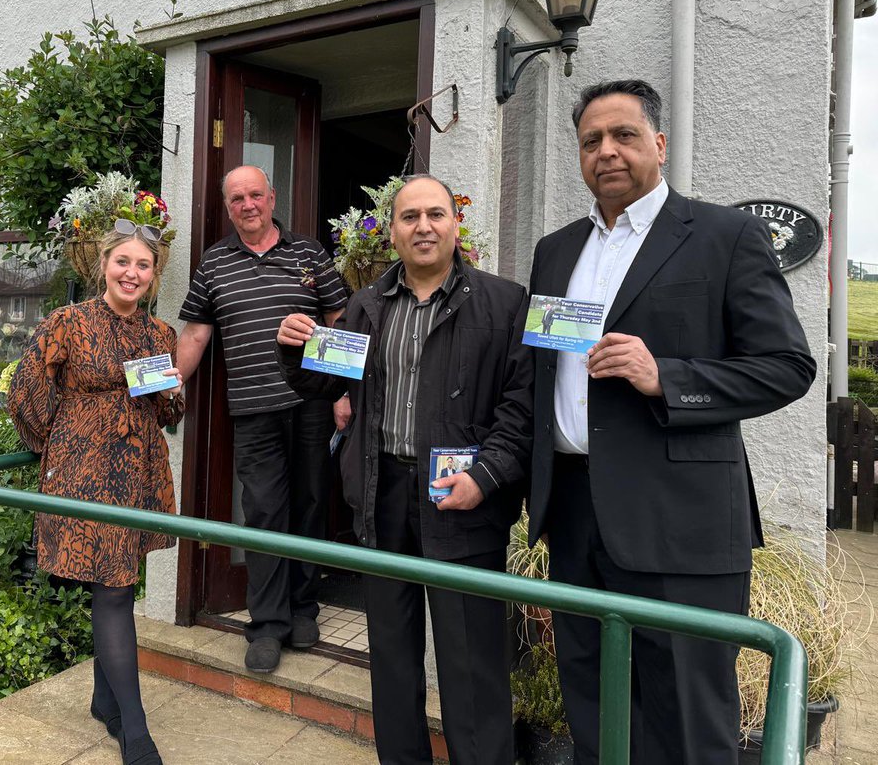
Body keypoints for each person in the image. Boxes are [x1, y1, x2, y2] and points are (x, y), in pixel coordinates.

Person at [526, 79, 816, 764]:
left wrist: (668, 377)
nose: (608, 151)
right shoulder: (556, 250)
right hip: (572, 512)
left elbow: (786, 365)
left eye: (624, 135)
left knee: (687, 713)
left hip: (680, 520)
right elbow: (540, 370)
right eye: (591, 140)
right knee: (594, 701)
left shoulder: (725, 235)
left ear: (658, 144)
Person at [277, 174, 533, 765]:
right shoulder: (366, 306)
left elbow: (523, 406)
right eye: (409, 216)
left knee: (471, 662)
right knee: (391, 657)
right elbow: (323, 382)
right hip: (382, 490)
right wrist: (296, 346)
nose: (423, 226)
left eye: (435, 214)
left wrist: (488, 476)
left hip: (464, 496)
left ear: (454, 224)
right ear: (390, 230)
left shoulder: (503, 301)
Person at [9, 223, 184, 765]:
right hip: (87, 470)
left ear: (154, 276)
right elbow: (26, 387)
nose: (132, 273)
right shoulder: (69, 321)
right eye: (123, 262)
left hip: (139, 469)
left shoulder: (161, 334)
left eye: (143, 266)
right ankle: (134, 729)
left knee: (120, 581)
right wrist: (57, 445)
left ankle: (104, 700)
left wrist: (174, 393)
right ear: (103, 265)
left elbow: (170, 416)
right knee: (112, 591)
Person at [176, 165, 347, 673]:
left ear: (272, 197)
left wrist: (344, 393)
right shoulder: (213, 263)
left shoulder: (310, 253)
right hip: (253, 412)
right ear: (228, 208)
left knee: (311, 505)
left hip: (312, 405)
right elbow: (195, 336)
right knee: (266, 513)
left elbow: (340, 322)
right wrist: (170, 384)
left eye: (255, 195)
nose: (247, 205)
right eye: (236, 199)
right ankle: (267, 624)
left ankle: (303, 608)